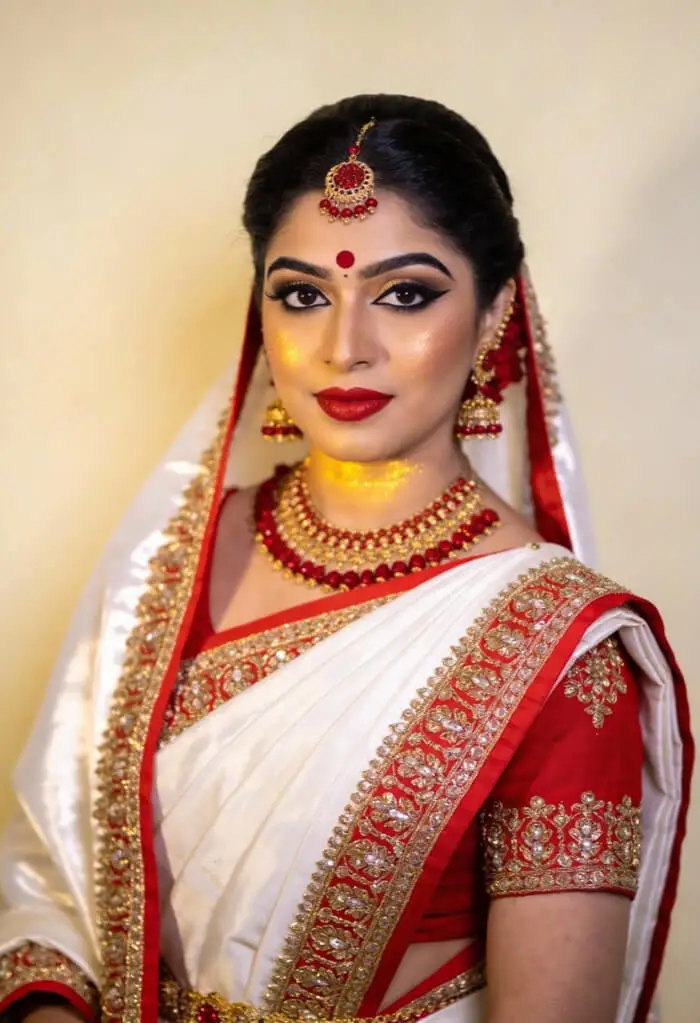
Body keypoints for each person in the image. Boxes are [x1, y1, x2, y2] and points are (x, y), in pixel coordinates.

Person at [0, 94, 692, 1023]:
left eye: (406, 294)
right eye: (302, 294)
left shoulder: (561, 657)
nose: (343, 347)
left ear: (494, 315)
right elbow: (56, 870)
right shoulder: (163, 567)